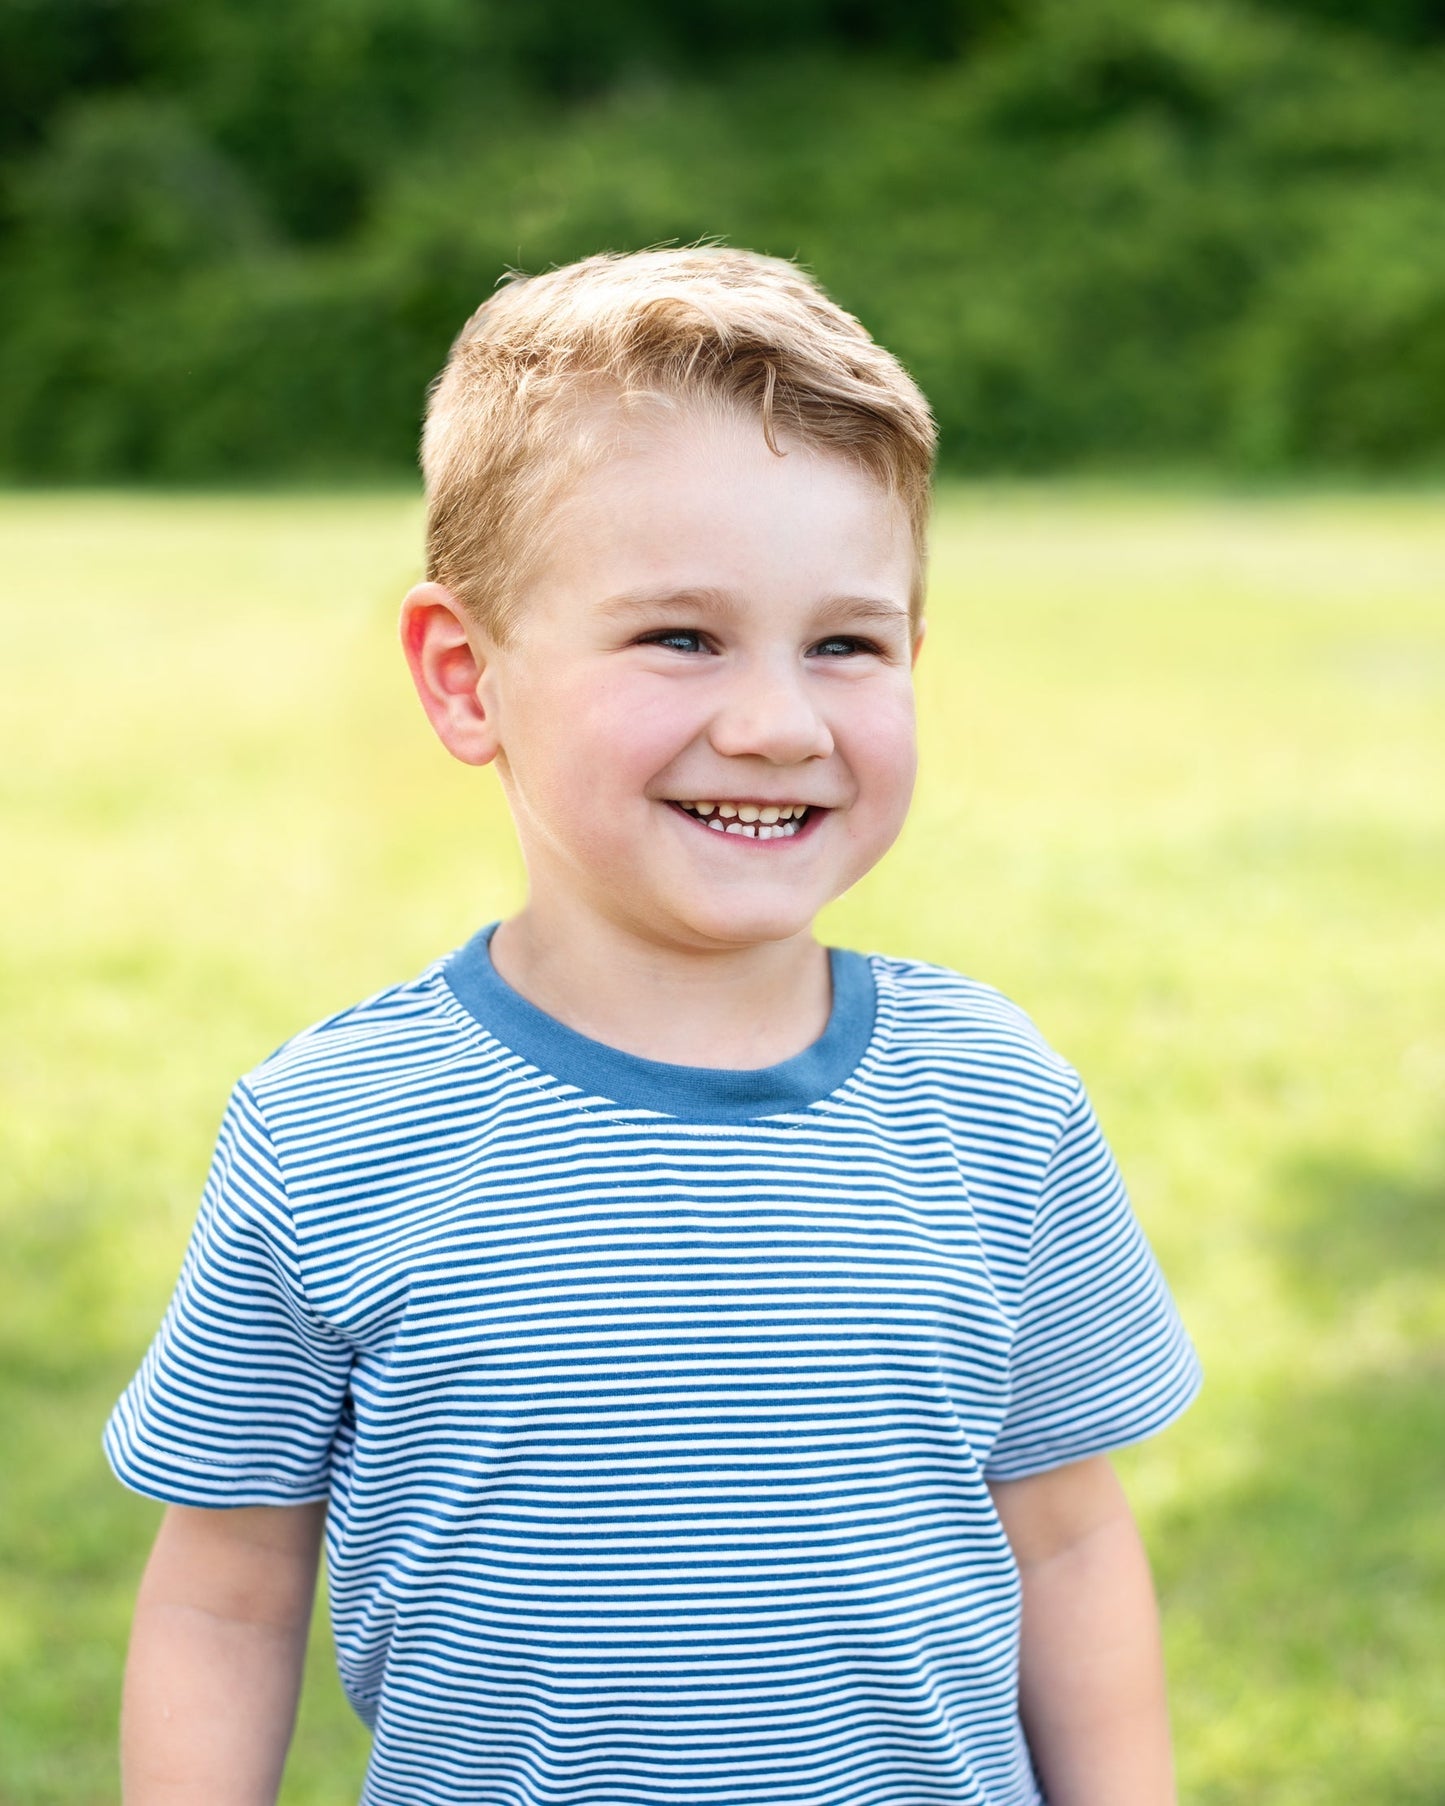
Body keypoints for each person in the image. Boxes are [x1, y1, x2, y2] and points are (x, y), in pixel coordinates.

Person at [106, 246, 1202, 1806]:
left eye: (844, 642)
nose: (777, 721)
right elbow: (225, 1587)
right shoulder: (332, 1129)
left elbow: (1071, 1536)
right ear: (465, 676)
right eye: (681, 636)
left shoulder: (991, 1100)